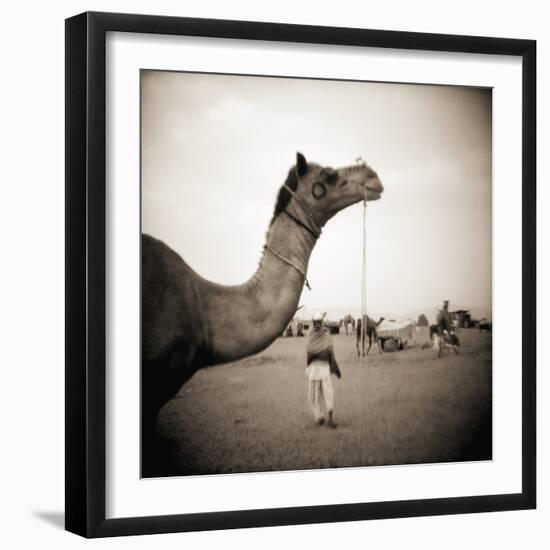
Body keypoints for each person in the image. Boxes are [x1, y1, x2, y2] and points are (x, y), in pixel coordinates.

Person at [305, 312, 341, 428]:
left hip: (324, 369)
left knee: (328, 393)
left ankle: (330, 419)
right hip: (314, 370)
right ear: (313, 322)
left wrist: (333, 365)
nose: (317, 325)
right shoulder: (311, 335)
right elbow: (310, 351)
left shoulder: (326, 336)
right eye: (315, 322)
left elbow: (330, 352)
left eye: (319, 322)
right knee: (314, 395)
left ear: (322, 322)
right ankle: (318, 417)